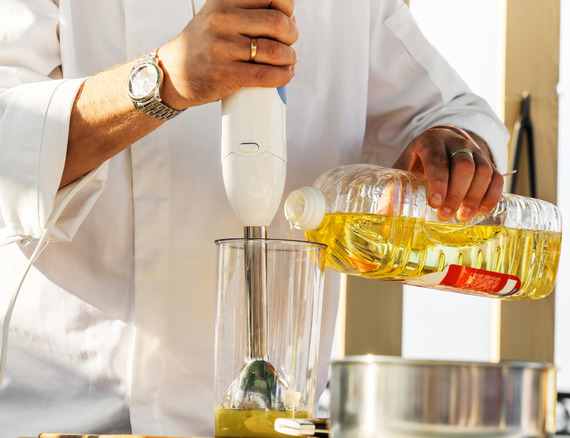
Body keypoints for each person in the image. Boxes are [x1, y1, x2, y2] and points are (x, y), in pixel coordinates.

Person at [0, 0, 509, 436]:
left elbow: (451, 112)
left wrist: (454, 147)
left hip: (276, 419)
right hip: (63, 416)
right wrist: (162, 80)